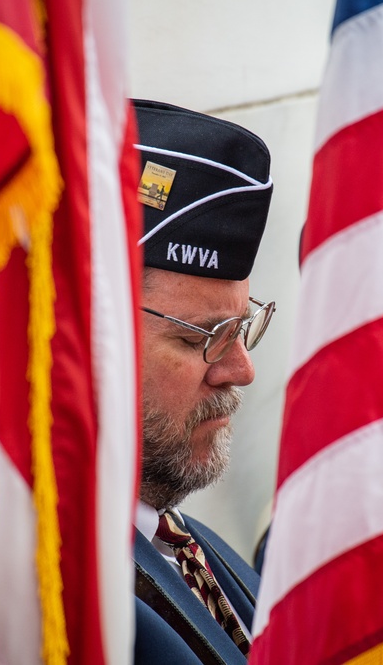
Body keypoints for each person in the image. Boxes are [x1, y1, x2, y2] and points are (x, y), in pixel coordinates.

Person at [131, 99, 275, 664]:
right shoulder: (55, 598)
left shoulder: (197, 547)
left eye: (242, 328)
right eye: (199, 338)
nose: (241, 370)